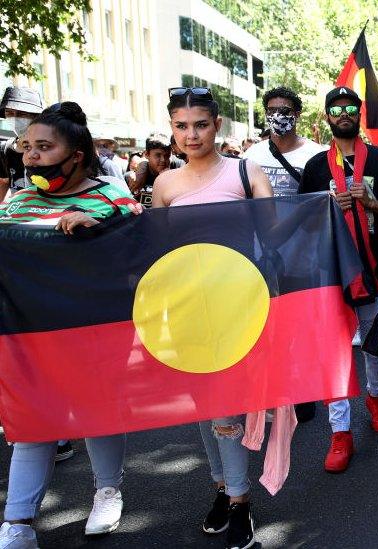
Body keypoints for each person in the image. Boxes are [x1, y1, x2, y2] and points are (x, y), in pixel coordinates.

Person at [0, 102, 142, 548]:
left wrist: (99, 227)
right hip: (32, 336)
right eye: (27, 148)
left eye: (44, 146)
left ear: (77, 152)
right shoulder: (18, 200)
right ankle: (17, 523)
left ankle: (107, 492)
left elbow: (139, 255)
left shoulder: (113, 196)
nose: (32, 157)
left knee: (97, 413)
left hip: (96, 331)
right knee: (34, 422)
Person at [152, 86, 273, 549]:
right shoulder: (165, 184)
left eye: (200, 124)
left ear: (216, 125)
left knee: (224, 407)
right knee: (204, 408)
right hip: (185, 312)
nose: (191, 134)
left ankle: (240, 499)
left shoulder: (247, 171)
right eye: (181, 126)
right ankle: (223, 487)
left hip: (238, 308)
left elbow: (277, 232)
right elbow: (154, 252)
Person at [299, 86, 378, 473]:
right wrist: (328, 206)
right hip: (331, 276)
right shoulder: (315, 166)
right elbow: (301, 221)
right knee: (334, 354)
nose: (343, 113)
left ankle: (376, 397)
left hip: (375, 271)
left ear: (359, 113)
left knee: (377, 345)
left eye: (349, 108)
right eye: (336, 108)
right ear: (327, 116)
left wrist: (371, 202)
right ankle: (340, 430)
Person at [242, 86, 325, 198]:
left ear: (297, 114)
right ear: (266, 113)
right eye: (271, 110)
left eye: (284, 111)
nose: (277, 115)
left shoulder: (316, 154)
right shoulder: (252, 154)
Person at [0, 86, 44, 198]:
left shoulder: (49, 148)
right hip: (19, 211)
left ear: (36, 116)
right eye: (9, 113)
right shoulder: (5, 149)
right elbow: (4, 182)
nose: (14, 118)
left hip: (47, 209)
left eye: (22, 114)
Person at [126, 133, 172, 207]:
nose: (163, 159)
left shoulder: (176, 173)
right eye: (158, 155)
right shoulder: (131, 178)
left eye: (167, 155)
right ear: (146, 154)